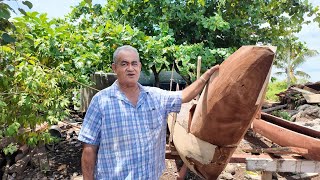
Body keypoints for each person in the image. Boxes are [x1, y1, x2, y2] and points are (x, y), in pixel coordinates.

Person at [78, 45, 219, 179]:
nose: (130, 68)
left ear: (139, 67)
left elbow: (184, 96)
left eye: (134, 63)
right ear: (114, 68)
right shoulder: (101, 101)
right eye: (124, 64)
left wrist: (205, 77)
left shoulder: (155, 96)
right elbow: (89, 148)